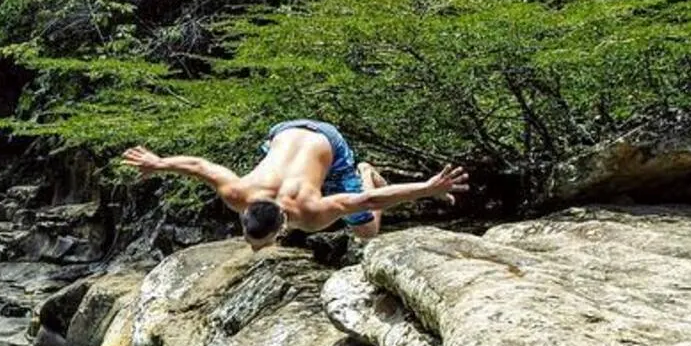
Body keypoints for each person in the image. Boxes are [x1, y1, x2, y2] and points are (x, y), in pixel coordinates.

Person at [122, 118, 467, 248]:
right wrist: (158, 163)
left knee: (366, 233)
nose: (255, 247)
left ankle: (365, 171)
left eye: (263, 240)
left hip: (329, 144)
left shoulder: (312, 212)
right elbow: (199, 165)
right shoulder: (237, 192)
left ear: (285, 222)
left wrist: (427, 188)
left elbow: (371, 202)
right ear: (245, 212)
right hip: (283, 131)